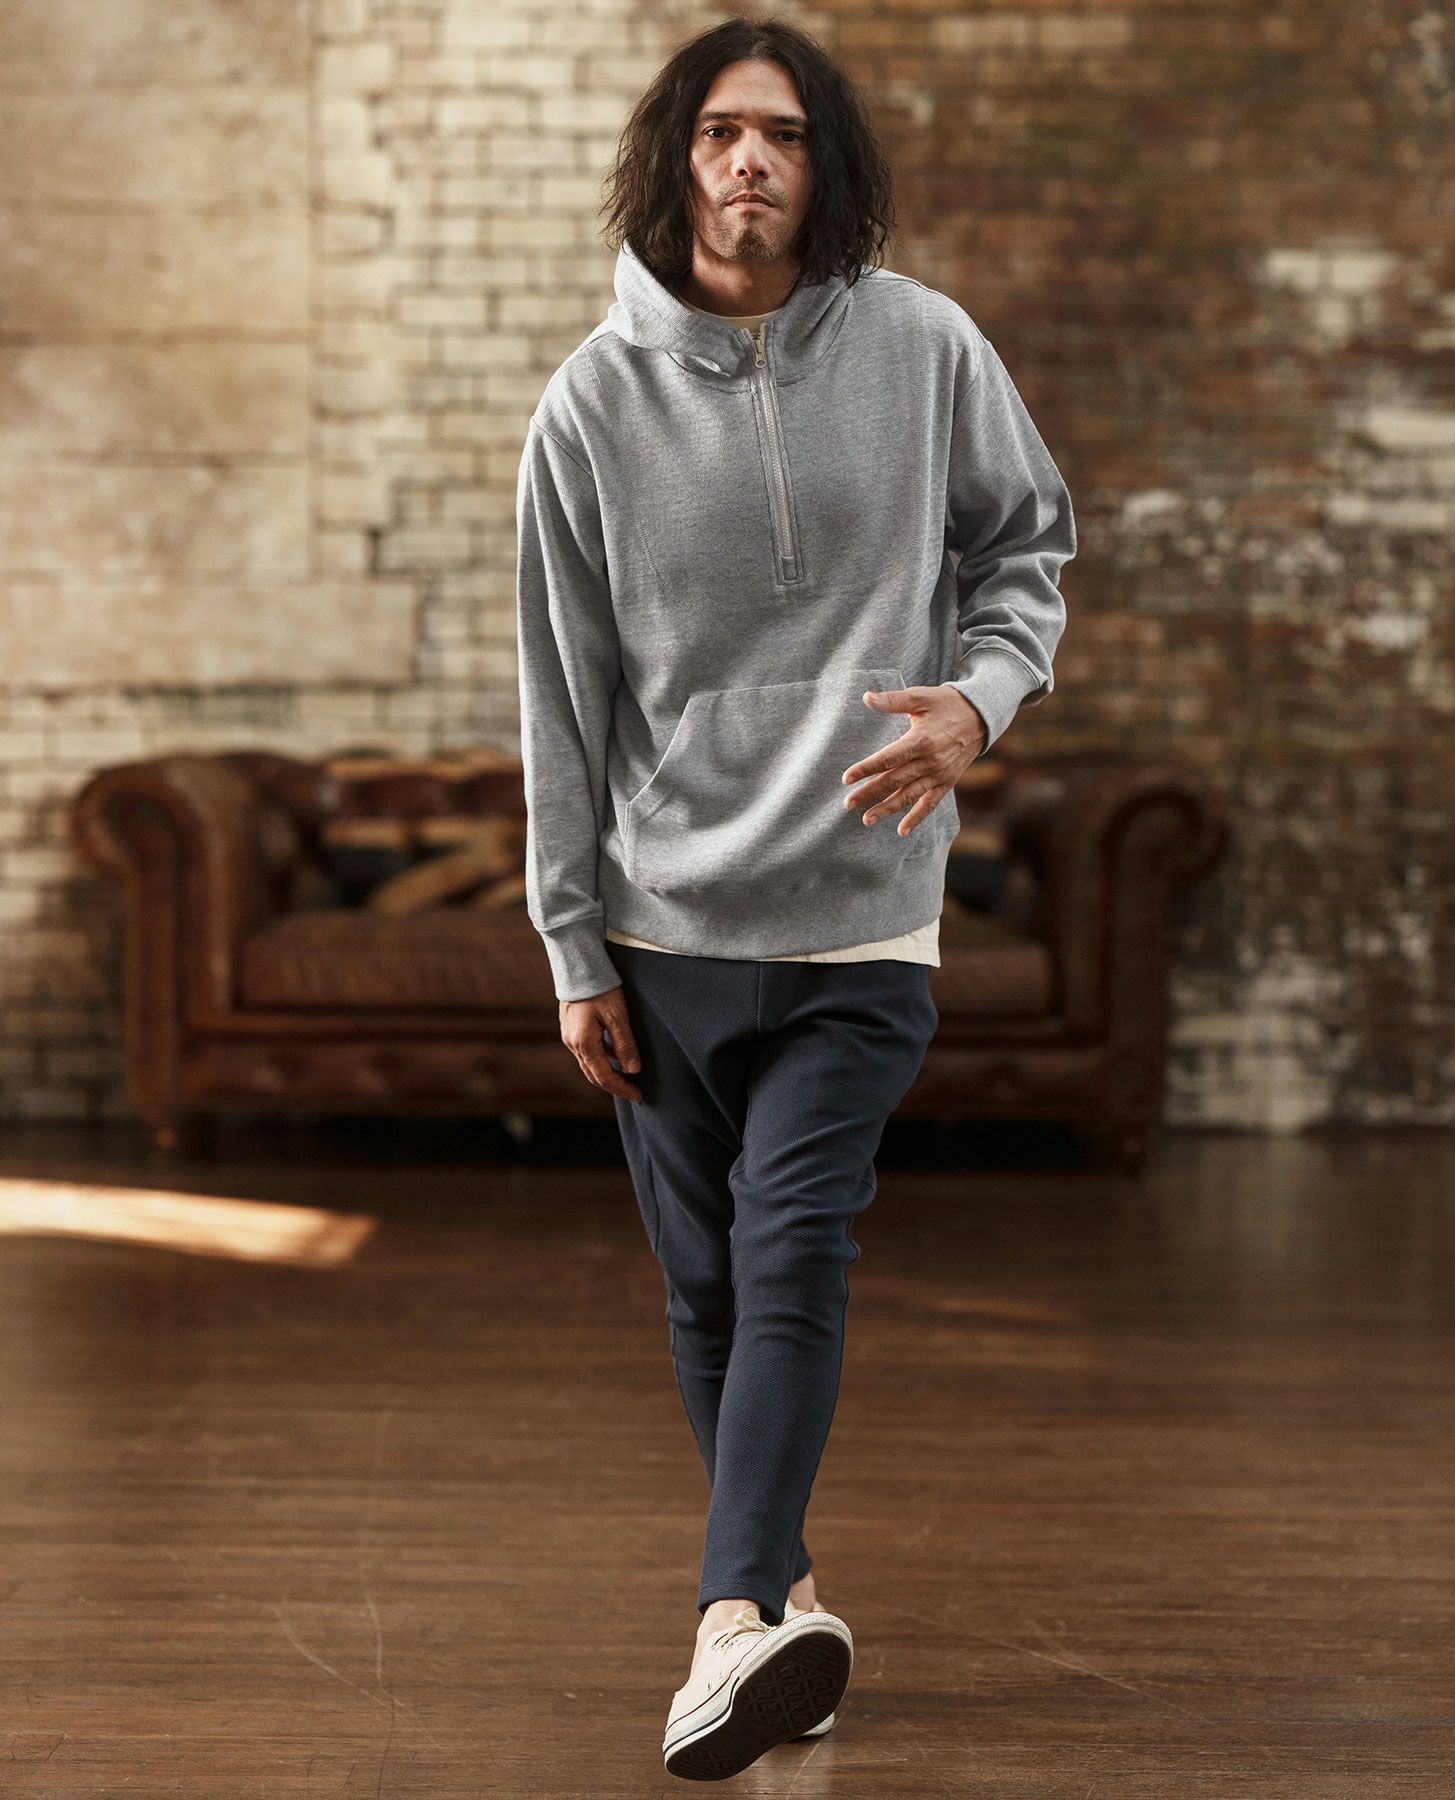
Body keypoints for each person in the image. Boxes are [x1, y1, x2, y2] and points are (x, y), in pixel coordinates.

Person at [515, 15, 1076, 1781]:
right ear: (674, 162)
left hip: (858, 914)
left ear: (823, 164)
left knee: (792, 1250)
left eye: (783, 133)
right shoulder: (589, 404)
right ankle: (785, 1617)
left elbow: (1028, 549)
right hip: (663, 926)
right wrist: (570, 944)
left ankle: (722, 1618)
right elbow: (559, 698)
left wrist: (979, 704)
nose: (750, 158)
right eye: (717, 132)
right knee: (703, 1289)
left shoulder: (925, 347)